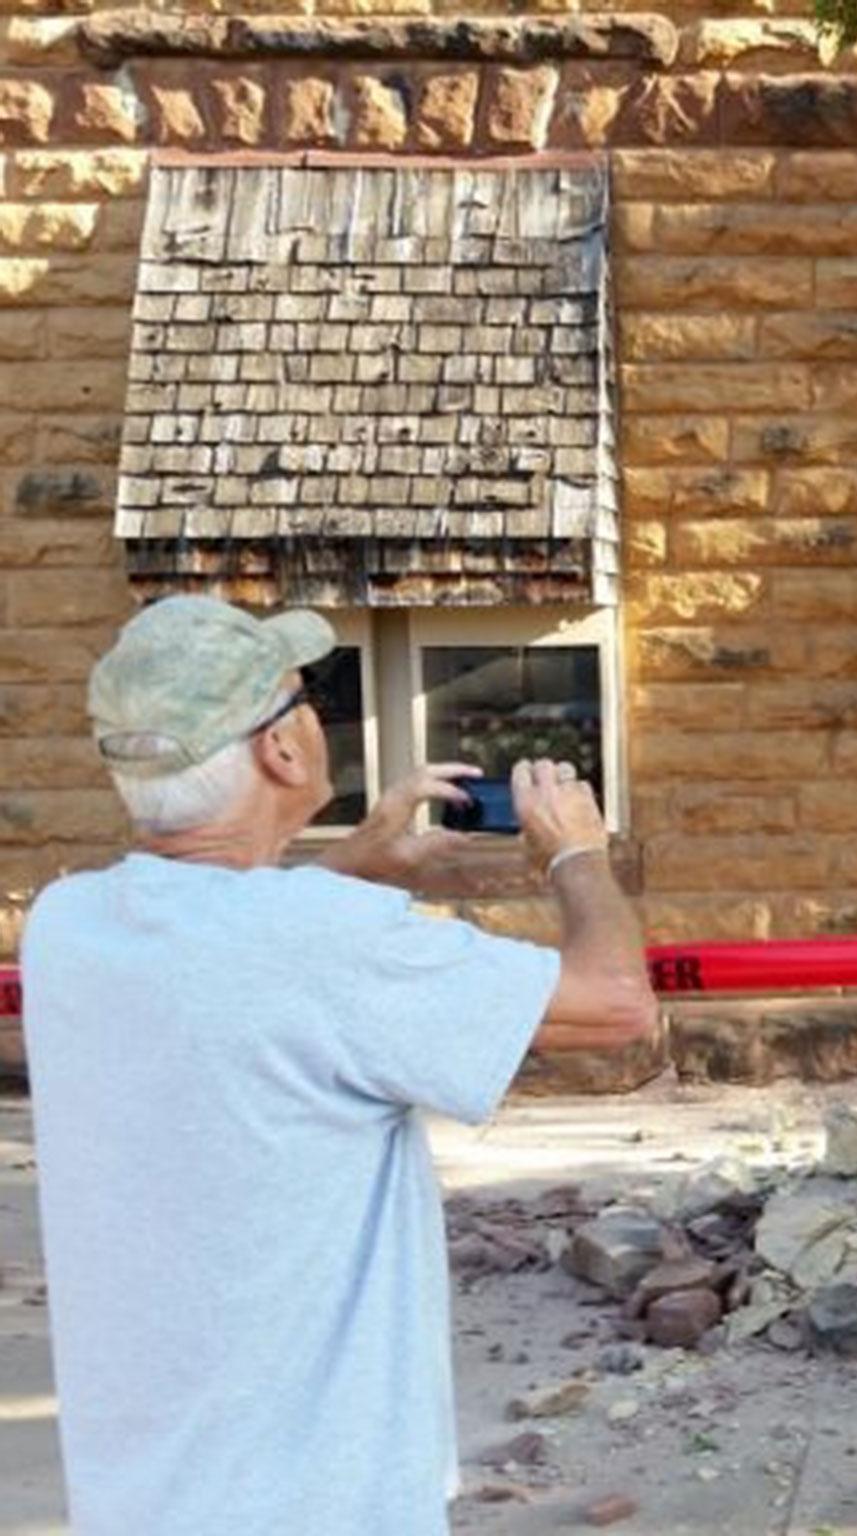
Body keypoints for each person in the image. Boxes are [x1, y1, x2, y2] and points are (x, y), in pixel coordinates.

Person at [22, 595, 661, 1535]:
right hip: (320, 1505)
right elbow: (616, 1001)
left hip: (139, 1502)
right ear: (282, 751)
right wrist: (575, 852)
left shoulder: (67, 926)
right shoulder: (321, 941)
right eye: (303, 698)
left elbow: (227, 945)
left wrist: (358, 863)